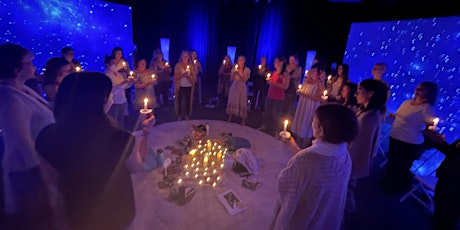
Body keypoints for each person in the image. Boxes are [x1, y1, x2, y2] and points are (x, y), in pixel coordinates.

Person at [35, 72, 154, 229]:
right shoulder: (119, 139)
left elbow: (52, 184)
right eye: (109, 95)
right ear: (100, 101)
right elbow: (137, 167)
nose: (111, 98)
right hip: (117, 214)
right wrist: (145, 132)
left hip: (77, 214)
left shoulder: (45, 137)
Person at [270, 103, 359, 230]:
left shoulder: (304, 161)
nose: (312, 123)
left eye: (314, 121)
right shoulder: (344, 156)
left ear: (321, 130)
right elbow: (314, 166)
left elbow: (286, 185)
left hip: (305, 218)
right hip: (325, 216)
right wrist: (293, 145)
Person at [0, 43, 55, 229]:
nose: (34, 67)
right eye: (30, 63)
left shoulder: (23, 88)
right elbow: (22, 140)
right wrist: (44, 171)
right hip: (28, 168)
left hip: (41, 161)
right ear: (17, 69)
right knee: (35, 217)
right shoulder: (9, 97)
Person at [383, 81, 439, 193]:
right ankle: (388, 182)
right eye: (418, 88)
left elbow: (430, 126)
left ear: (429, 93)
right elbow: (397, 116)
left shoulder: (427, 108)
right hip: (395, 136)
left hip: (409, 142)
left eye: (422, 89)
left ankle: (395, 188)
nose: (417, 90)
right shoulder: (407, 102)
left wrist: (427, 130)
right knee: (392, 161)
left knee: (401, 166)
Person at [345, 79, 388, 216]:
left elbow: (360, 144)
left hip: (354, 159)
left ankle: (342, 216)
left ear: (370, 94)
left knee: (347, 188)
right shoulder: (369, 112)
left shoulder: (369, 118)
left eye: (360, 91)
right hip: (355, 158)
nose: (356, 94)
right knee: (348, 187)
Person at [421, 129, 460, 230]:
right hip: (448, 177)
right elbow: (452, 153)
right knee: (441, 206)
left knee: (449, 213)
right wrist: (439, 142)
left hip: (455, 183)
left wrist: (441, 142)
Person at [291, 62, 325, 147]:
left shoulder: (319, 83)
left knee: (307, 123)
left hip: (310, 107)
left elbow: (319, 98)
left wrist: (304, 95)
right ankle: (297, 142)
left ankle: (303, 145)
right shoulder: (306, 80)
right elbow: (302, 89)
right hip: (303, 105)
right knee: (301, 120)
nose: (312, 72)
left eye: (314, 71)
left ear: (318, 73)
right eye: (312, 70)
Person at [257, 56, 289, 134]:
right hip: (270, 95)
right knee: (267, 112)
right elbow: (271, 82)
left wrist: (273, 83)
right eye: (274, 61)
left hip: (278, 97)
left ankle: (276, 131)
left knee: (276, 115)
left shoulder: (285, 74)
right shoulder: (274, 72)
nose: (275, 63)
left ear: (281, 63)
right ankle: (265, 125)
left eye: (276, 61)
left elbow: (285, 86)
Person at [104, 55, 134, 128]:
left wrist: (130, 82)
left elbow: (124, 87)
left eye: (115, 63)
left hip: (122, 100)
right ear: (107, 64)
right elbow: (110, 89)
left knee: (121, 121)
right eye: (113, 63)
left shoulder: (117, 74)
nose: (115, 65)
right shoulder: (106, 76)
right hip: (114, 102)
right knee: (114, 122)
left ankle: (120, 136)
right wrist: (122, 83)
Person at [226, 55, 251, 126]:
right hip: (234, 86)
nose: (240, 62)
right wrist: (234, 74)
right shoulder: (234, 68)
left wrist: (239, 74)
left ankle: (243, 120)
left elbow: (244, 80)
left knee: (242, 102)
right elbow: (231, 79)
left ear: (244, 61)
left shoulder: (247, 70)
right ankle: (230, 117)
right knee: (232, 100)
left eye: (241, 60)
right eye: (239, 60)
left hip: (242, 87)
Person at [174, 50, 197, 121]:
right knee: (179, 101)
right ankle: (179, 115)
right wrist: (182, 75)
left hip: (189, 86)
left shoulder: (191, 66)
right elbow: (175, 76)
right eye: (184, 56)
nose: (185, 57)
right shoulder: (178, 65)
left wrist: (188, 76)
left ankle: (187, 114)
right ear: (181, 56)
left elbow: (194, 78)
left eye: (186, 56)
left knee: (188, 101)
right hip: (180, 86)